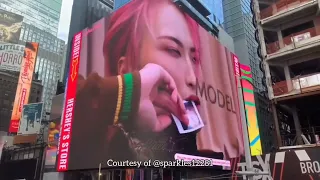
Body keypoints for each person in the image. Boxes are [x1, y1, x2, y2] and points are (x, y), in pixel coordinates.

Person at [69, 0, 223, 169]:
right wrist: (127, 91)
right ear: (124, 68)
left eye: (194, 58)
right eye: (173, 50)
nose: (193, 78)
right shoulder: (95, 146)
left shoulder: (204, 152)